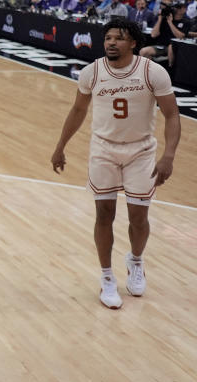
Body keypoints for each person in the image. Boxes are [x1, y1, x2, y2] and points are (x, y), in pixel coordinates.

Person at [51, 18, 180, 309]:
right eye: (108, 37)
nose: (111, 42)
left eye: (118, 38)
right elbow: (78, 109)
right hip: (103, 148)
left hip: (141, 150)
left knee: (138, 217)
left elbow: (172, 115)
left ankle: (135, 260)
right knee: (104, 213)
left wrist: (169, 155)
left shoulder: (152, 72)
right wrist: (60, 146)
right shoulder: (92, 72)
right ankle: (107, 277)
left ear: (133, 42)